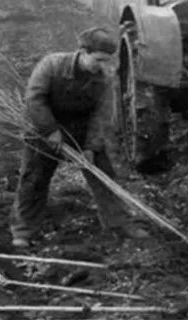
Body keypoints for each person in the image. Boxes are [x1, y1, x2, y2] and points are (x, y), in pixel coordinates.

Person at [11, 27, 148, 248]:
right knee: (33, 179)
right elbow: (35, 99)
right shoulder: (52, 65)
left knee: (104, 176)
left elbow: (101, 115)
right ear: (83, 52)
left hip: (82, 130)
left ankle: (120, 223)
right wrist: (50, 130)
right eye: (98, 60)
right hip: (43, 128)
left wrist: (91, 147)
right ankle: (23, 231)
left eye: (106, 61)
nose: (102, 66)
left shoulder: (104, 77)